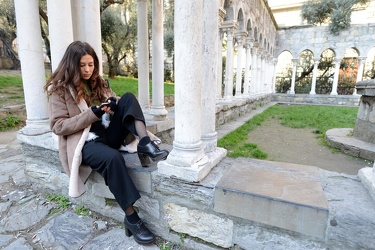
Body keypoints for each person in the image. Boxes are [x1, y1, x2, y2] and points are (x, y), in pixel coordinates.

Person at [44, 41, 168, 245]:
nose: (87, 70)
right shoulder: (60, 91)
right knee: (113, 158)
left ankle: (145, 143)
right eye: (82, 65)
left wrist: (110, 105)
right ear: (72, 64)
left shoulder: (98, 81)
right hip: (86, 142)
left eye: (91, 64)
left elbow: (114, 102)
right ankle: (132, 218)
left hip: (107, 133)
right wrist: (92, 114)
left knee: (128, 98)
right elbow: (58, 126)